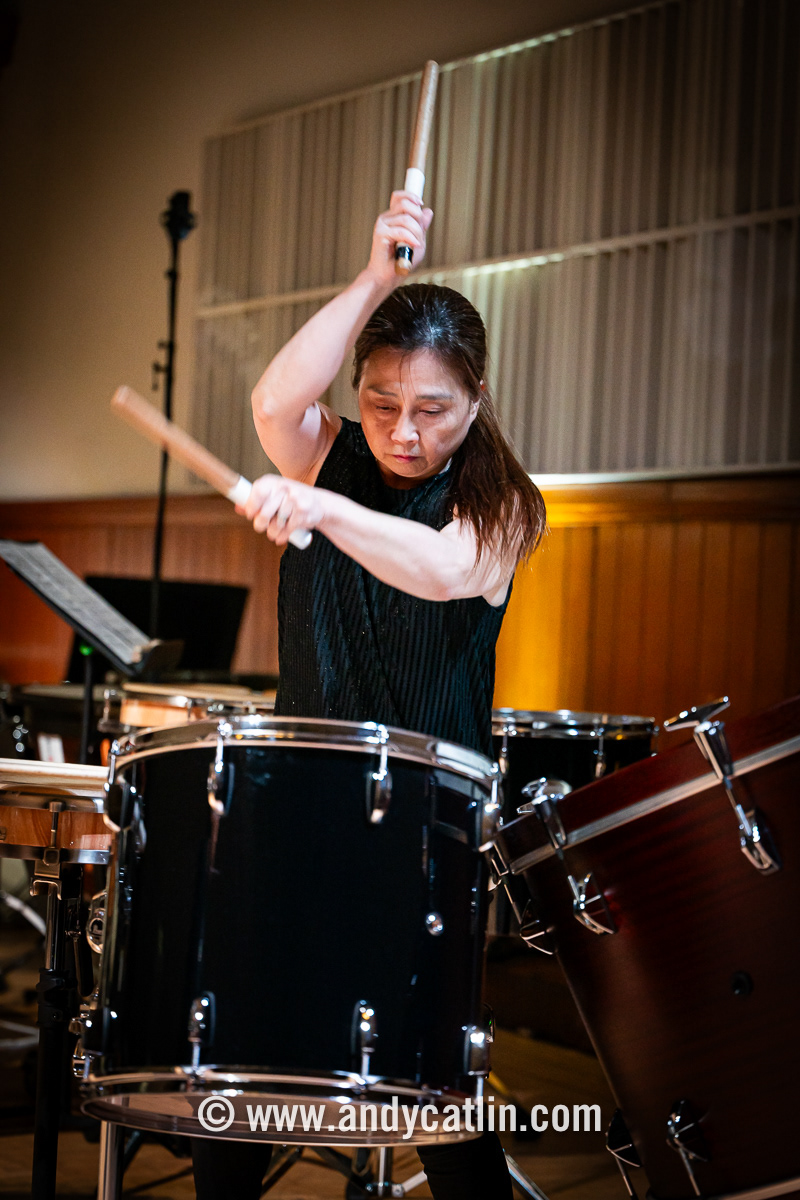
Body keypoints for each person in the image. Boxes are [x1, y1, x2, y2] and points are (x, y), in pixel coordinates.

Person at [191, 190, 546, 1199]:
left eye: (431, 409)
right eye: (382, 403)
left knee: (429, 1090)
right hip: (301, 801)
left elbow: (438, 570)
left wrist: (317, 508)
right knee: (246, 1072)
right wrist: (375, 277)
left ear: (475, 399)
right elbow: (273, 402)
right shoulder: (329, 449)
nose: (401, 430)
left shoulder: (503, 505)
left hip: (428, 827)